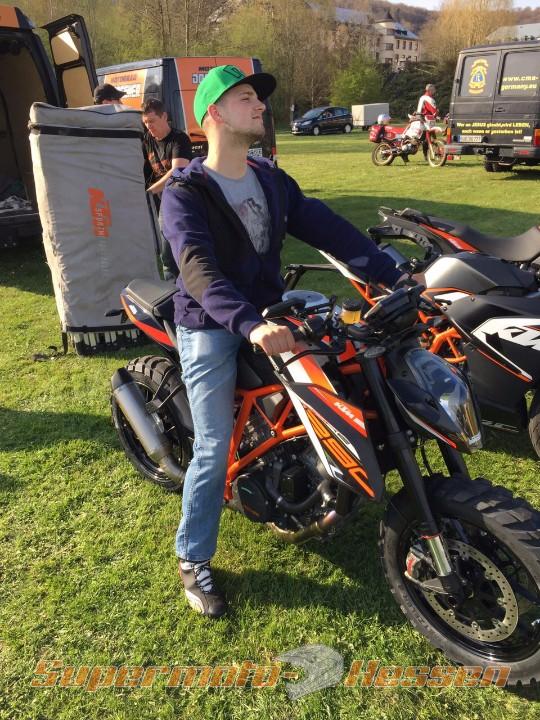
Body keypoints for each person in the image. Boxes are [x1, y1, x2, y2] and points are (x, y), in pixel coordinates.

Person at [160, 65, 409, 619]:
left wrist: (394, 275)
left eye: (259, 98)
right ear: (214, 114)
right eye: (246, 98)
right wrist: (248, 324)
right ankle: (192, 557)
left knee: (343, 372)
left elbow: (329, 228)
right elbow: (197, 269)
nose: (260, 106)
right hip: (210, 323)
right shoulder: (185, 192)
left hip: (271, 311)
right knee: (212, 445)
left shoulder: (270, 179)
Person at [141, 98, 192, 279]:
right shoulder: (147, 140)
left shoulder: (179, 139)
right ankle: (173, 285)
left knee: (173, 253)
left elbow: (176, 171)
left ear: (164, 116)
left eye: (152, 121)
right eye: (145, 122)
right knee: (166, 252)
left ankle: (180, 283)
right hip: (160, 200)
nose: (149, 126)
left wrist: (148, 193)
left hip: (180, 199)